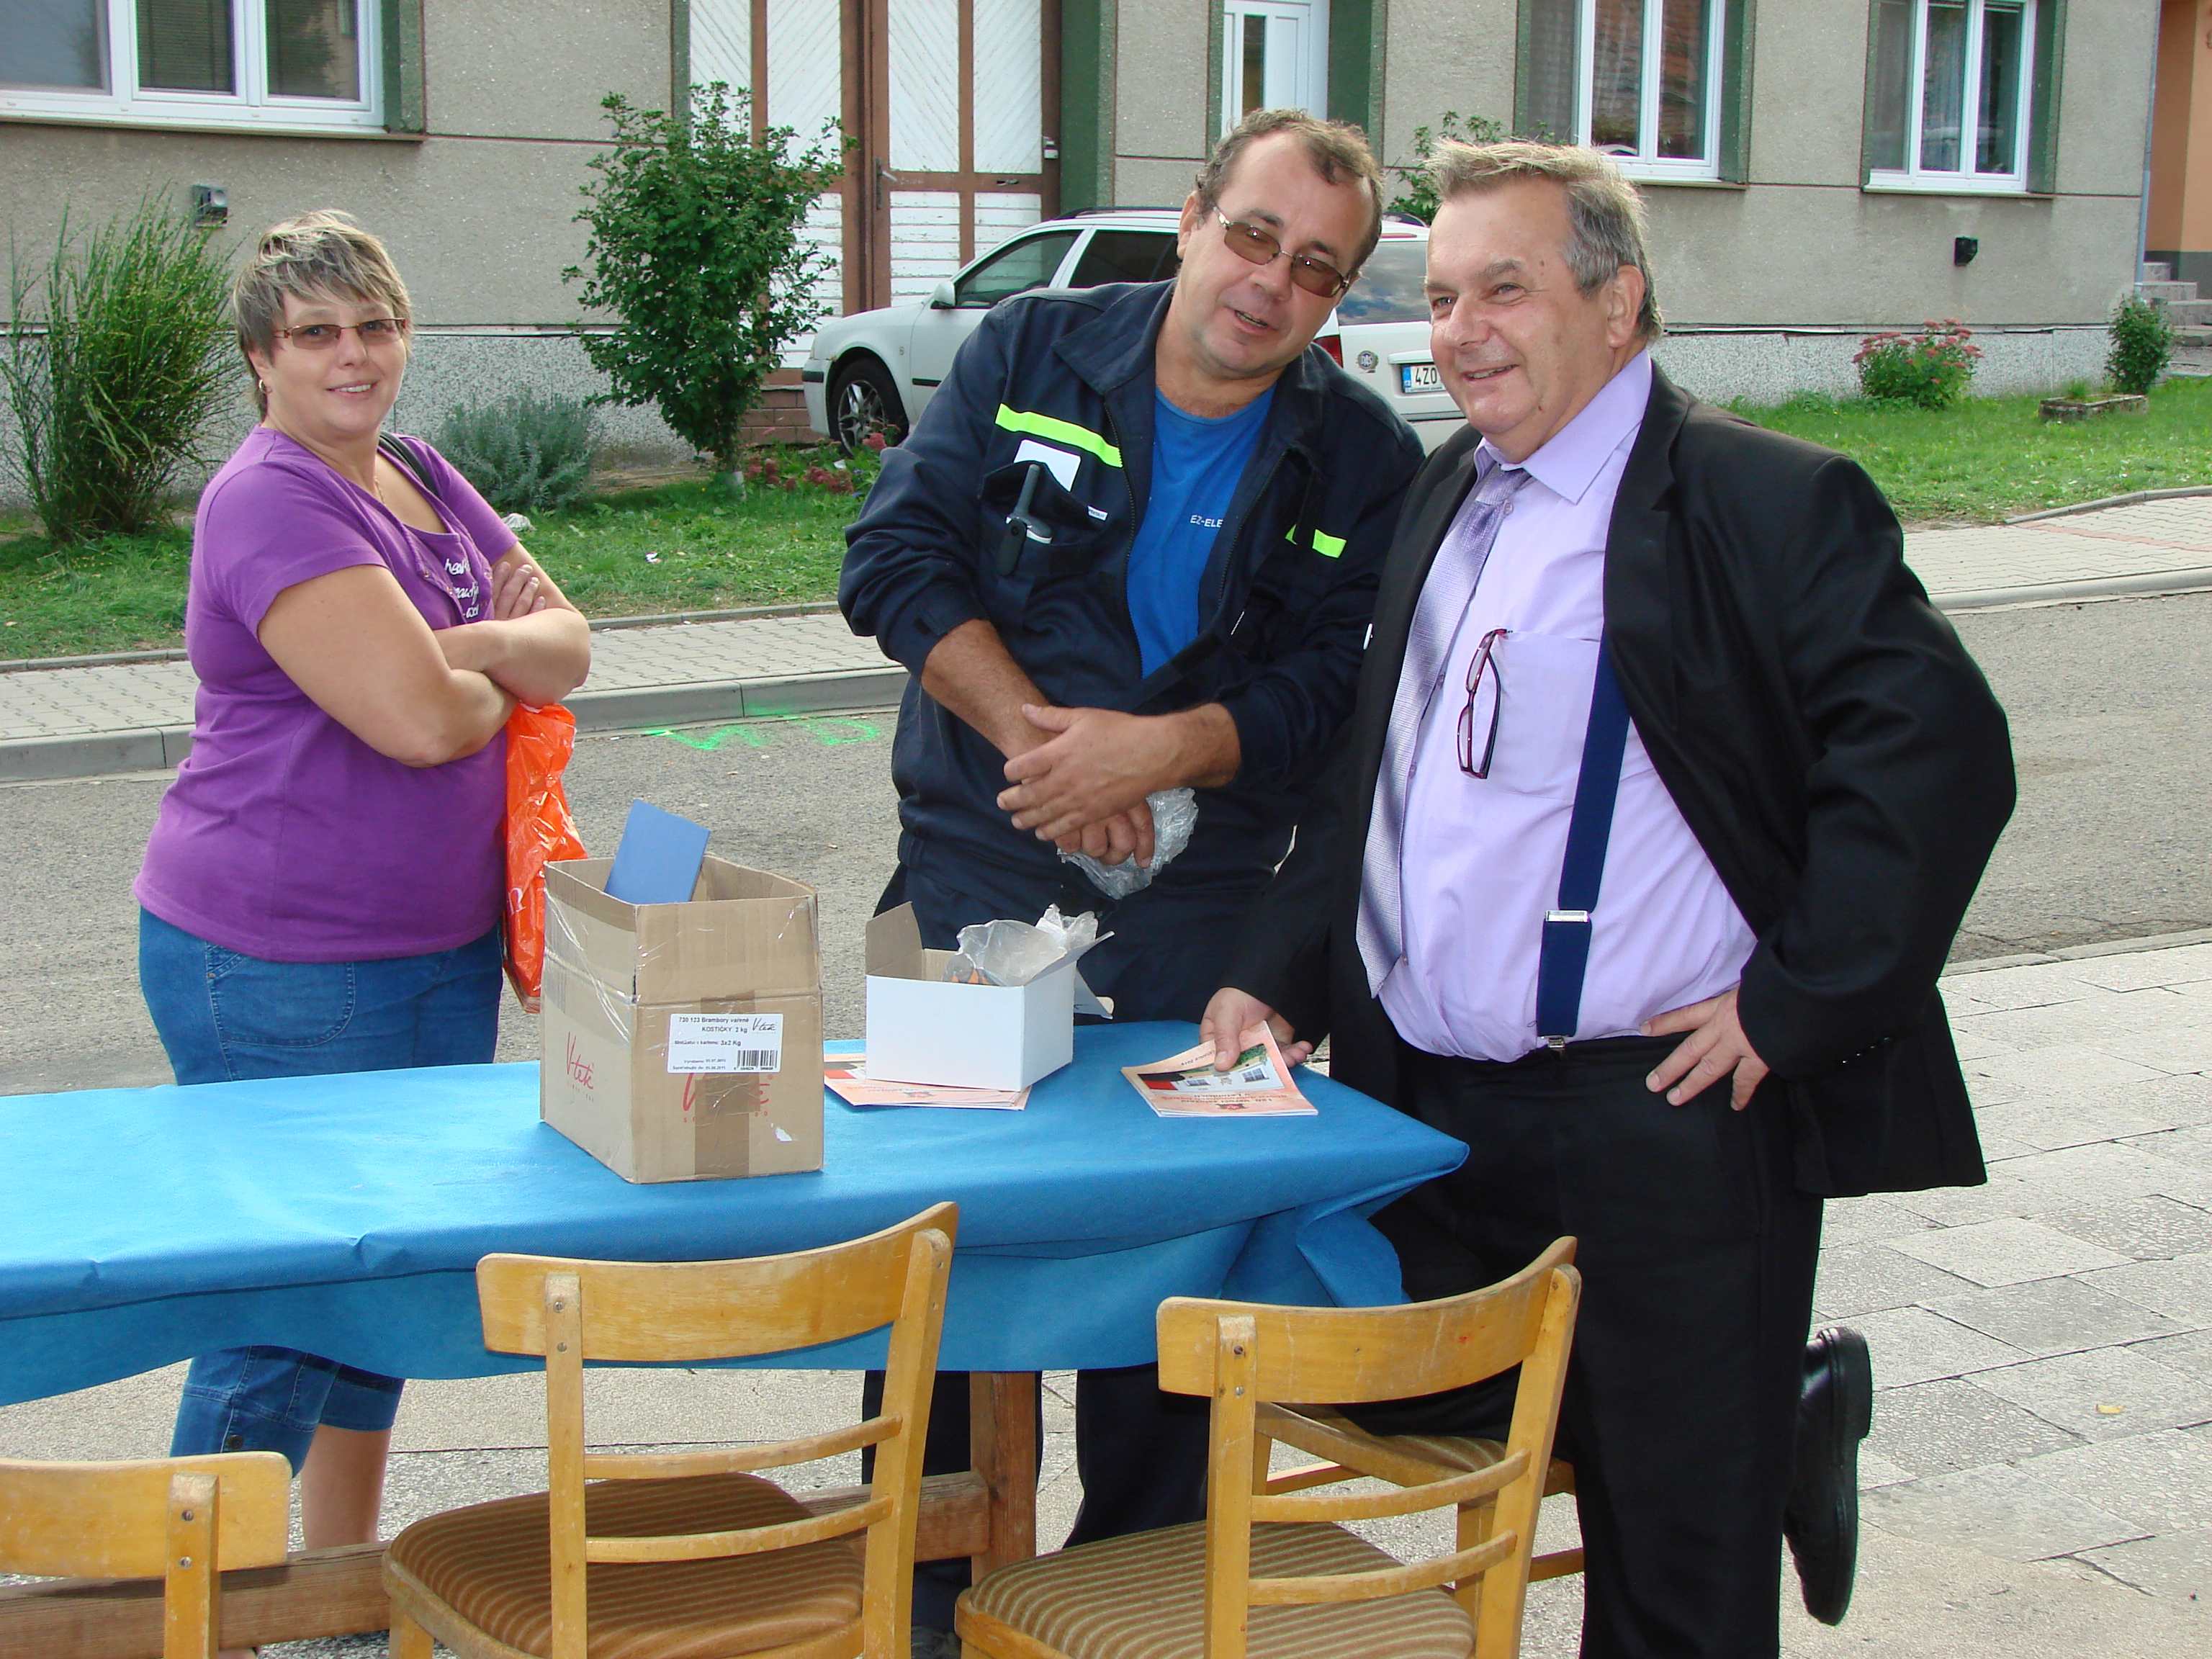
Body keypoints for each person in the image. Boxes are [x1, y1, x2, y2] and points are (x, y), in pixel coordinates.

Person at [1202, 143, 2014, 1659]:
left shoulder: (1759, 499)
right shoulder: (1451, 490)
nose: (1463, 331)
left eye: (1505, 291)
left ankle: (1744, 1433)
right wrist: (1280, 965)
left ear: (1618, 302)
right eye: (1444, 296)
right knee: (1405, 1388)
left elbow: (1939, 755)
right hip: (1433, 1107)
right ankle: (1780, 1410)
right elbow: (1376, 779)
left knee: (1672, 1568)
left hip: (1655, 1120)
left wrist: (1796, 1000)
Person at [840, 111, 1426, 1637]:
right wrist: (1052, 753)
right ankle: (921, 1602)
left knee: (1176, 1278)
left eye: (1317, 269)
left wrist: (1163, 754)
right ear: (1191, 218)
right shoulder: (1029, 350)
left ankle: (1126, 1610)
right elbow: (896, 560)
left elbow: (1336, 697)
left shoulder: (1361, 456)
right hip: (974, 877)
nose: (1271, 285)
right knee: (937, 1261)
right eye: (1253, 236)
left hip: (1201, 918)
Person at [133, 211, 590, 1569]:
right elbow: (421, 723)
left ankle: (335, 1584)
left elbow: (568, 649)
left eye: (376, 326)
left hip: (436, 945)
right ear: (262, 357)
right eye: (317, 333)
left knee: (380, 1274)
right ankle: (190, 1608)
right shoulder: (271, 499)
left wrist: (470, 641)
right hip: (282, 961)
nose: (354, 355)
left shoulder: (418, 471)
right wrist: (485, 662)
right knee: (286, 1304)